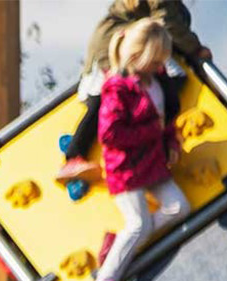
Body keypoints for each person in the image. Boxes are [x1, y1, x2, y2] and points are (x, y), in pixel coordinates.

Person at [87, 19, 190, 281]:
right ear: (137, 56)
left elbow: (164, 119)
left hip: (153, 162)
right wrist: (151, 133)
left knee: (178, 207)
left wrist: (168, 141)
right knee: (137, 225)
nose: (159, 66)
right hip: (126, 168)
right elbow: (109, 133)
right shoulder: (118, 88)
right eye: (155, 60)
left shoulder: (155, 83)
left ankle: (122, 249)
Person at [56, 0, 208, 184]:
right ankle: (76, 154)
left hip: (128, 40)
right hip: (122, 43)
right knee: (168, 79)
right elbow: (166, 23)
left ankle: (152, 139)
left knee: (152, 84)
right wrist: (195, 49)